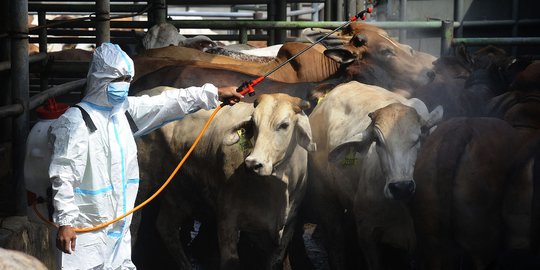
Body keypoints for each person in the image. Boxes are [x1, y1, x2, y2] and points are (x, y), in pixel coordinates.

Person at [48, 43, 244, 269]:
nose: (123, 86)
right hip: (85, 233)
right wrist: (66, 222)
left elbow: (167, 102)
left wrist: (214, 94)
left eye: (126, 80)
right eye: (117, 80)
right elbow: (63, 175)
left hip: (119, 228)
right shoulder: (76, 122)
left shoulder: (122, 113)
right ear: (100, 80)